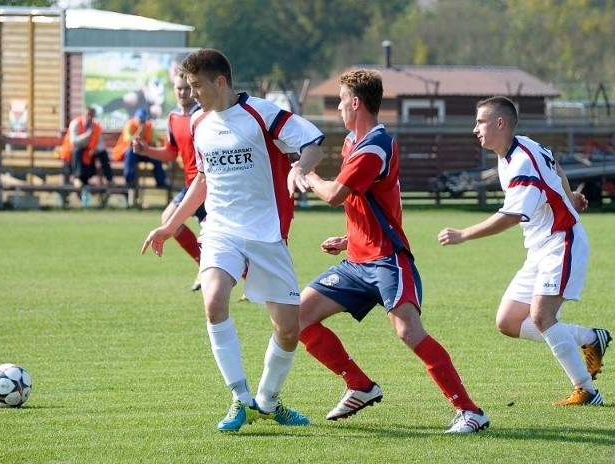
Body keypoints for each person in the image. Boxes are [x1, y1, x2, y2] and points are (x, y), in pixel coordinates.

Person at [140, 48, 326, 432]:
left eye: (196, 86)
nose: (191, 94)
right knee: (213, 302)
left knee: (289, 330)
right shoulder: (198, 124)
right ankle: (240, 399)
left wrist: (300, 168)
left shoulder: (262, 113)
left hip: (266, 234)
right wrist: (170, 225)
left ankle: (268, 401)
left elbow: (313, 144)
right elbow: (203, 180)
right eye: (188, 87)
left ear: (220, 82)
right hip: (221, 229)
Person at [298, 69, 490, 434]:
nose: (338, 107)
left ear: (355, 102)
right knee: (297, 318)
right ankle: (359, 385)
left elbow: (335, 194)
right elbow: (372, 202)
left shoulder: (374, 145)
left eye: (340, 100)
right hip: (358, 260)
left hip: (388, 260)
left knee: (408, 332)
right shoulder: (354, 143)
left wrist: (307, 174)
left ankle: (470, 412)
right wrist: (348, 238)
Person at [437, 96, 611, 406]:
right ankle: (588, 338)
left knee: (542, 316)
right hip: (539, 249)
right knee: (507, 322)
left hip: (561, 242)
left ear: (500, 123)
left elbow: (512, 216)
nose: (474, 128)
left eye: (480, 121)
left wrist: (464, 234)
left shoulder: (521, 164)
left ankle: (586, 390)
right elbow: (555, 166)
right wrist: (569, 196)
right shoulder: (520, 147)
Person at [133, 75, 205, 292]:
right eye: (179, 88)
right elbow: (171, 153)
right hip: (191, 185)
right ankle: (204, 266)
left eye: (187, 88)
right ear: (173, 90)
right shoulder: (173, 118)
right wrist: (147, 151)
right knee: (168, 219)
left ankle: (250, 282)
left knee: (218, 237)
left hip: (209, 185)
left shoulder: (203, 116)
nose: (183, 92)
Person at [60, 107, 114, 206]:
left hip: (88, 157)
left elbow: (101, 144)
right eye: (88, 115)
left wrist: (95, 149)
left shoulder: (96, 127)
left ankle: (109, 179)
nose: (89, 117)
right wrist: (86, 136)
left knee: (103, 154)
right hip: (72, 159)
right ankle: (77, 178)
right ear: (84, 114)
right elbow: (74, 142)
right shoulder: (75, 124)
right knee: (77, 151)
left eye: (91, 115)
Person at [113, 108, 167, 189]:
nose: (142, 122)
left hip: (144, 152)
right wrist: (140, 131)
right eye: (140, 120)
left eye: (143, 120)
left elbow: (153, 141)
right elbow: (130, 142)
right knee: (130, 154)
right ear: (136, 118)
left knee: (156, 158)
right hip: (132, 152)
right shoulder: (130, 125)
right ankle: (129, 183)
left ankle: (161, 183)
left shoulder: (149, 126)